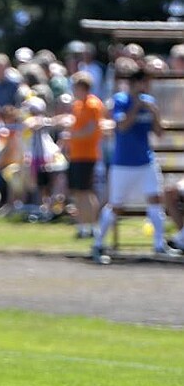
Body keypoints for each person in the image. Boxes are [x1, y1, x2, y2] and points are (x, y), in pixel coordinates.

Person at [92, 69, 181, 259]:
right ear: (135, 83)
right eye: (144, 83)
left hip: (145, 161)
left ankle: (159, 245)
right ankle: (98, 243)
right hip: (123, 163)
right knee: (116, 206)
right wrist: (136, 107)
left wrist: (154, 112)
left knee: (155, 200)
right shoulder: (121, 100)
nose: (147, 87)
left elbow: (159, 132)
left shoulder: (149, 102)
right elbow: (122, 126)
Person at [63, 72, 104, 238]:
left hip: (87, 155)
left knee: (86, 191)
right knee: (78, 192)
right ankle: (82, 227)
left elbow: (92, 128)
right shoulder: (78, 105)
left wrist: (72, 136)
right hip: (76, 155)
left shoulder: (93, 104)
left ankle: (93, 226)